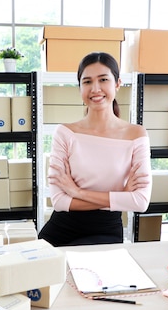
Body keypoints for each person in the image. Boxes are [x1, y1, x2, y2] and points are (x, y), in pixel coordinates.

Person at [38, 51, 152, 246]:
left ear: (117, 83)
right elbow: (59, 201)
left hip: (106, 230)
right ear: (80, 87)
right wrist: (120, 196)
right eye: (87, 81)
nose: (95, 88)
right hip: (61, 229)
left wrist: (77, 192)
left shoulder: (136, 135)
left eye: (103, 80)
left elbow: (140, 201)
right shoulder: (65, 133)